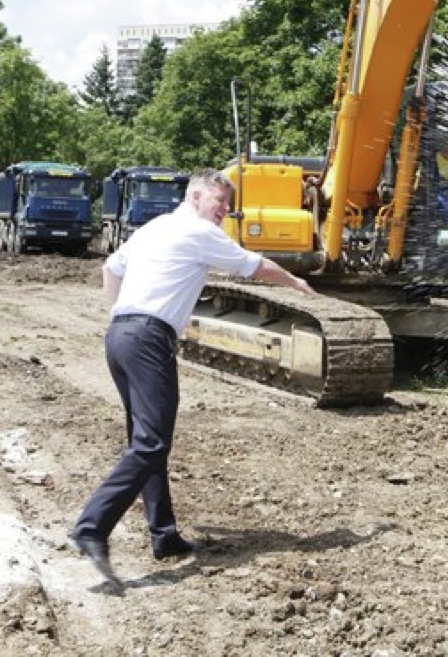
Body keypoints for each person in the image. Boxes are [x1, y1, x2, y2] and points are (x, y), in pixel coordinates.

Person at [70, 169, 316, 586]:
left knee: (145, 440)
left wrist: (119, 317)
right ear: (196, 196)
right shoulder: (199, 231)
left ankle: (163, 536)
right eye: (218, 202)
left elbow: (111, 268)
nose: (224, 211)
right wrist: (295, 281)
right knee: (151, 443)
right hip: (148, 338)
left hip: (121, 336)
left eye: (226, 204)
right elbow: (255, 266)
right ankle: (91, 527)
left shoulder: (155, 227)